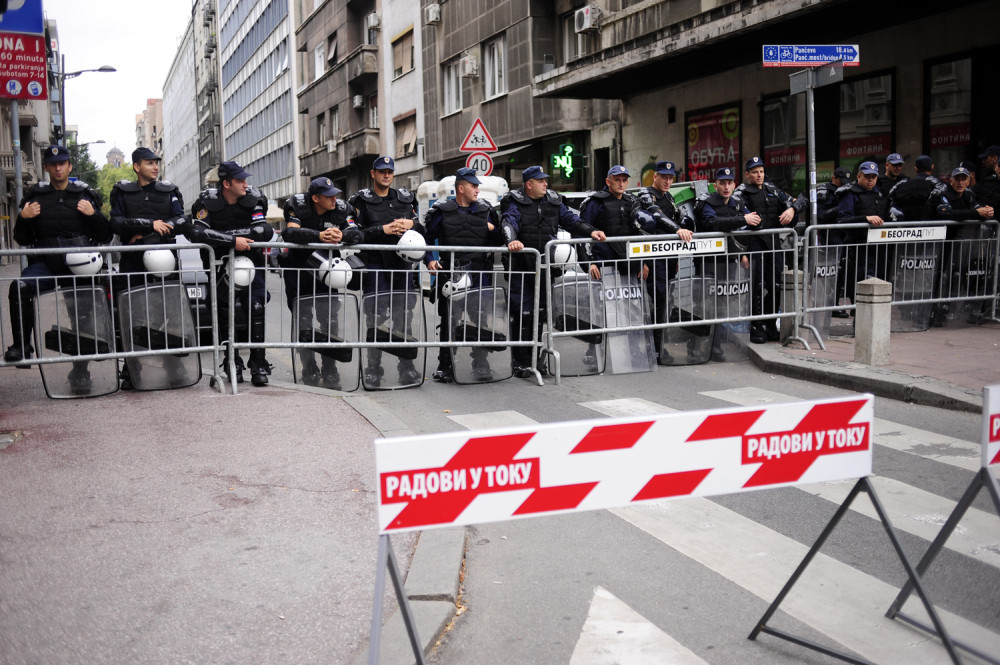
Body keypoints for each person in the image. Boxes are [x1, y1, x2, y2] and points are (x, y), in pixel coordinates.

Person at [5, 145, 110, 393]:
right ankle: (22, 346)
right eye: (53, 164)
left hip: (79, 266)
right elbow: (21, 238)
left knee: (81, 317)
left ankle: (81, 371)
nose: (58, 168)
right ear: (46, 167)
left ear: (70, 166)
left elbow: (104, 235)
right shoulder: (35, 196)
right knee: (20, 287)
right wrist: (24, 217)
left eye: (62, 163)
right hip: (47, 263)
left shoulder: (84, 194)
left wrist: (93, 215)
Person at [500, 165, 605, 378]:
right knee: (523, 314)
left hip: (545, 268)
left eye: (545, 180)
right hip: (522, 268)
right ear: (529, 184)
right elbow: (509, 221)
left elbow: (572, 220)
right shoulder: (515, 201)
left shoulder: (553, 201)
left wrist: (591, 231)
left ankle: (536, 359)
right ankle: (520, 362)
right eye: (541, 181)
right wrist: (512, 240)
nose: (546, 184)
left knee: (541, 314)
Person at [109, 147, 187, 389]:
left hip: (166, 261)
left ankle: (173, 365)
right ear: (136, 166)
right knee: (132, 314)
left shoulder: (169, 191)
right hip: (132, 262)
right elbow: (116, 223)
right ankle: (132, 368)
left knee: (169, 314)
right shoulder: (122, 192)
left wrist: (146, 235)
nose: (155, 167)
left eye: (156, 162)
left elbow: (182, 221)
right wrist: (150, 224)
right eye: (149, 163)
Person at [188, 161, 272, 386]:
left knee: (256, 307)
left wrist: (224, 237)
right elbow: (197, 233)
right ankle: (231, 361)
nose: (245, 184)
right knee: (223, 311)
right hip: (219, 265)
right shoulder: (207, 202)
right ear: (226, 184)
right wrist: (234, 240)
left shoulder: (254, 198)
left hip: (252, 264)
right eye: (240, 180)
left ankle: (259, 362)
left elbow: (263, 230)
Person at [348, 156, 424, 387]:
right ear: (373, 174)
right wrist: (383, 229)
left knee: (404, 316)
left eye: (390, 171)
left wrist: (411, 224)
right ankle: (373, 370)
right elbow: (353, 234)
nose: (386, 175)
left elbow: (422, 228)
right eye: (382, 171)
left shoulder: (405, 198)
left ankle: (406, 368)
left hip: (401, 266)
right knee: (376, 318)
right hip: (375, 265)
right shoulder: (360, 200)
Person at [424, 167, 503, 382]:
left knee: (480, 320)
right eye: (473, 186)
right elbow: (427, 239)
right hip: (452, 273)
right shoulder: (441, 211)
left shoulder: (486, 211)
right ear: (461, 188)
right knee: (450, 320)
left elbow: (499, 242)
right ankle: (446, 365)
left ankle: (481, 363)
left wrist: (492, 229)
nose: (477, 189)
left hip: (479, 273)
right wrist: (429, 259)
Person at [281, 177, 362, 388]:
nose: (334, 199)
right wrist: (319, 236)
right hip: (299, 272)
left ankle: (330, 368)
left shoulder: (341, 209)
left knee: (330, 320)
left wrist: (342, 234)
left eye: (335, 194)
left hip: (328, 273)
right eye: (328, 196)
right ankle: (309, 368)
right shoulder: (297, 205)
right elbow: (290, 232)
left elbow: (356, 232)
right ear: (315, 198)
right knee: (303, 322)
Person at [735, 156, 805, 344]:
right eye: (755, 172)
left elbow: (801, 200)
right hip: (754, 244)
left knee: (776, 285)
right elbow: (734, 215)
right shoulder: (741, 192)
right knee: (757, 286)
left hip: (774, 245)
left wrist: (792, 209)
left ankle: (770, 324)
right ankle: (756, 326)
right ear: (748, 174)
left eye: (761, 171)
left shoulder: (772, 189)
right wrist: (742, 253)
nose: (759, 175)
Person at [631, 160, 695, 351]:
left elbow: (677, 218)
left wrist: (675, 258)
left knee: (666, 300)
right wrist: (642, 262)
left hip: (667, 258)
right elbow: (655, 218)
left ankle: (658, 344)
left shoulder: (668, 197)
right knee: (656, 301)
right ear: (655, 176)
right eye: (664, 177)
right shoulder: (646, 195)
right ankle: (653, 346)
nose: (668, 182)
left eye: (670, 178)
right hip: (652, 259)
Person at [694, 167, 757, 359]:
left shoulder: (737, 203)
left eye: (730, 183)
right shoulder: (706, 202)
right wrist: (742, 219)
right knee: (705, 303)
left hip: (729, 260)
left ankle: (716, 344)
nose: (726, 187)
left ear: (734, 185)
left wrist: (742, 252)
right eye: (722, 183)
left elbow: (755, 220)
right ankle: (697, 344)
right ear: (716, 185)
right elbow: (713, 223)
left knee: (722, 303)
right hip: (709, 261)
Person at [928, 166, 995, 324]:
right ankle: (930, 311)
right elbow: (946, 213)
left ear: (968, 181)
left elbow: (977, 210)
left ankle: (944, 310)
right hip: (935, 241)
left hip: (956, 242)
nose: (960, 183)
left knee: (952, 275)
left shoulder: (969, 194)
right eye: (957, 179)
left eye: (963, 179)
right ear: (951, 180)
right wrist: (976, 213)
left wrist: (987, 211)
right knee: (936, 275)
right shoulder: (941, 193)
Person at [836, 160, 890, 307]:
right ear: (859, 176)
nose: (870, 180)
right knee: (861, 282)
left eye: (873, 176)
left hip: (878, 246)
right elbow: (843, 221)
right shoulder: (850, 193)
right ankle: (859, 313)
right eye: (867, 176)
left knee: (879, 281)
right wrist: (865, 218)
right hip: (858, 246)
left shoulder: (879, 193)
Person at [580, 165, 648, 280]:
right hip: (604, 265)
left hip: (631, 265)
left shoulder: (632, 202)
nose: (621, 184)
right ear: (608, 181)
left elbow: (640, 233)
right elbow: (579, 232)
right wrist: (588, 263)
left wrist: (644, 262)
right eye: (617, 180)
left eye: (624, 180)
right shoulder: (596, 202)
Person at [888, 155, 939, 222]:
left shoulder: (902, 185)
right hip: (931, 225)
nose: (897, 168)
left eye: (899, 165)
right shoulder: (937, 184)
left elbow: (891, 201)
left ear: (916, 169)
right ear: (932, 167)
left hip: (906, 225)